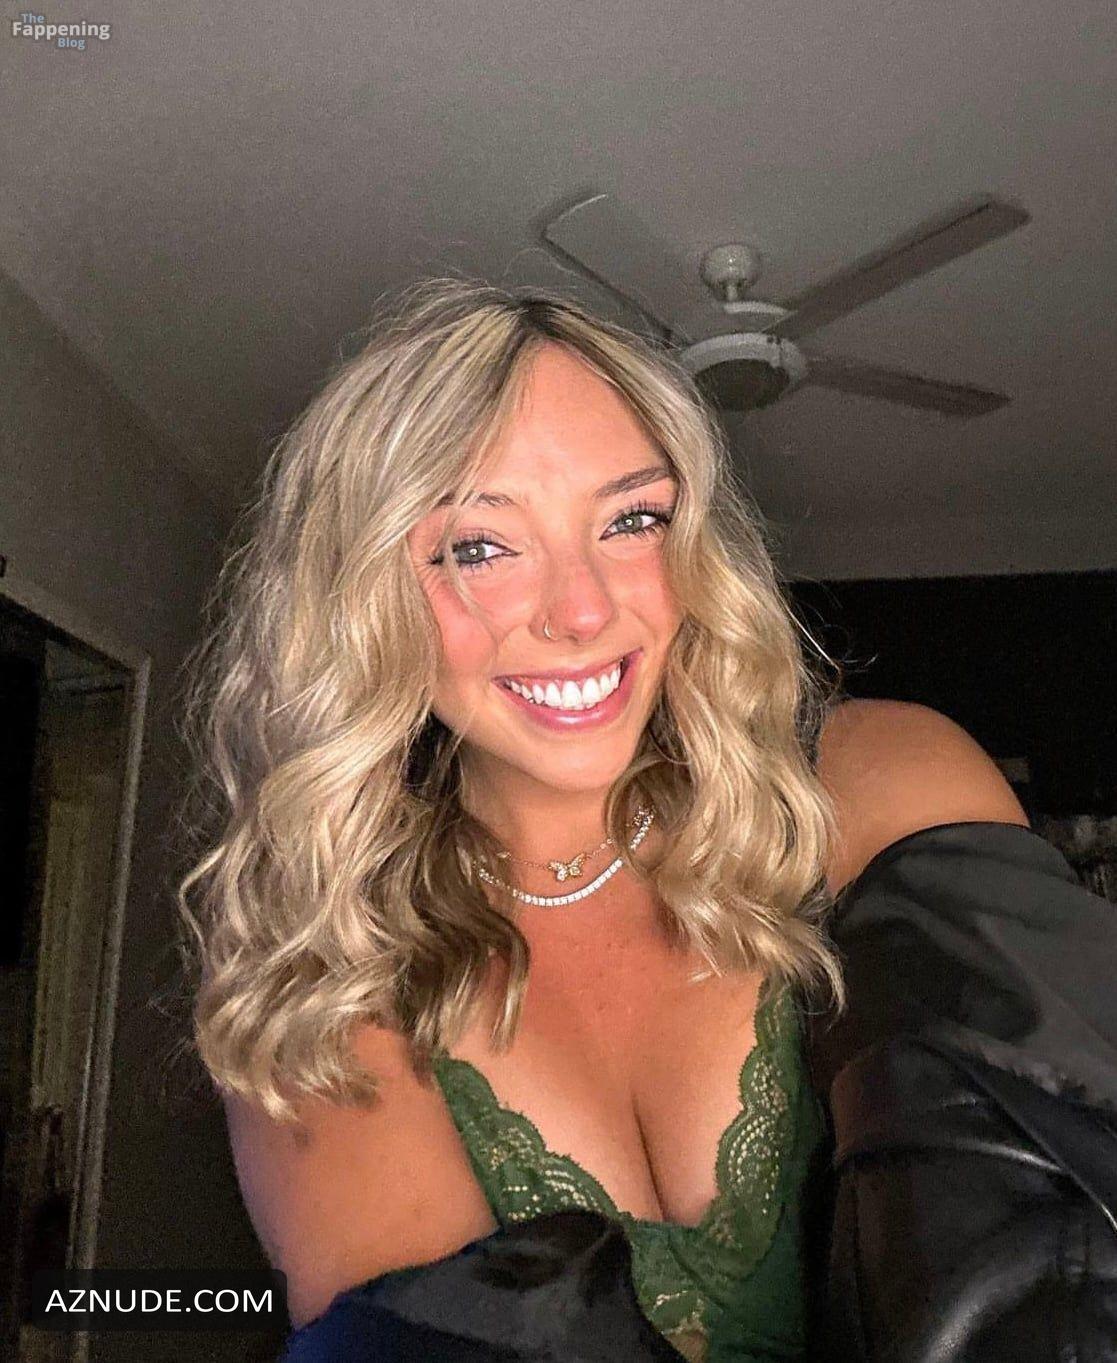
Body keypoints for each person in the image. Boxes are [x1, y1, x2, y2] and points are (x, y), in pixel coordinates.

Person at [177, 280, 1117, 1363]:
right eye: (479, 545)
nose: (584, 610)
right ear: (361, 594)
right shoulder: (327, 982)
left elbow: (1063, 1260)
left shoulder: (876, 786)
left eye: (632, 519)